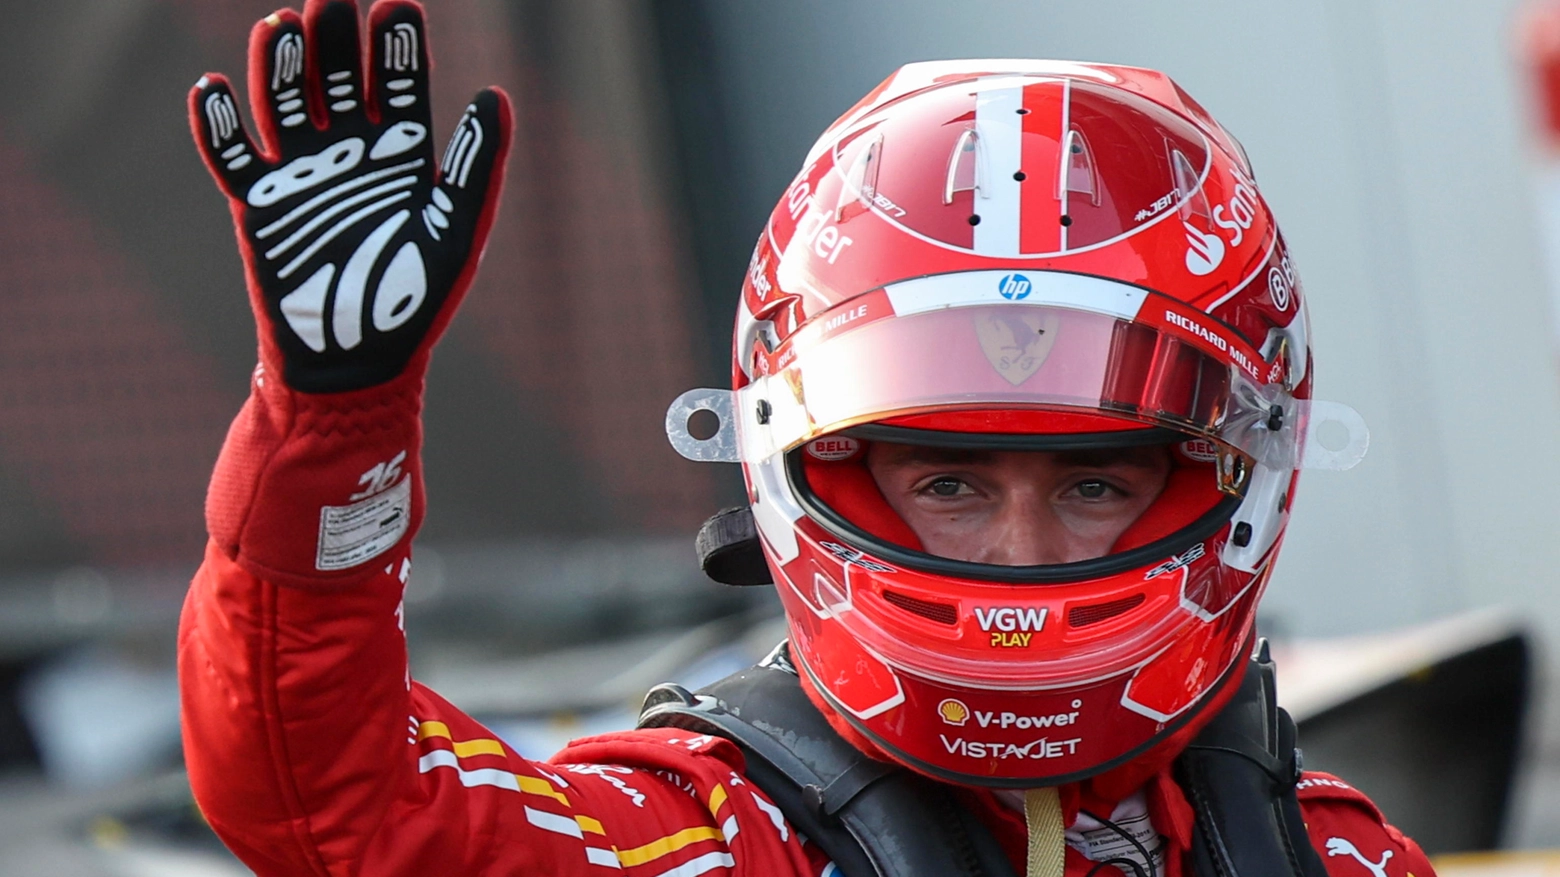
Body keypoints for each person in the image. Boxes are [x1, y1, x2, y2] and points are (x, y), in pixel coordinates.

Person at [179, 1, 1431, 876]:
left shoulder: (1339, 858)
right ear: (804, 468)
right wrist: (332, 428)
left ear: (1238, 474)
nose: (1015, 549)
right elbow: (335, 801)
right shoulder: (714, 842)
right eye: (947, 479)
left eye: (1094, 480)